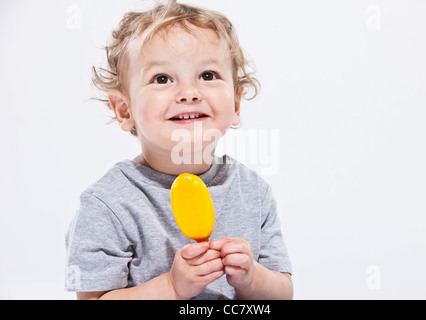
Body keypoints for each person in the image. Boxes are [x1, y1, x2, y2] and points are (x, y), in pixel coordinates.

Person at [65, 0, 293, 300]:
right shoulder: (107, 204)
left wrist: (252, 277)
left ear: (236, 104)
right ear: (124, 110)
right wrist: (171, 287)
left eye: (208, 75)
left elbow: (283, 293)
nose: (189, 93)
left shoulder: (253, 193)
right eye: (162, 79)